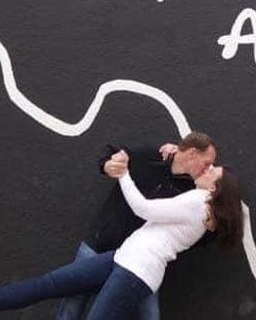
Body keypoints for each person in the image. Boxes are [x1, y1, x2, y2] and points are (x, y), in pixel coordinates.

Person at [0, 150, 244, 319]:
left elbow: (144, 209)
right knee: (49, 285)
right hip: (123, 259)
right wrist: (172, 157)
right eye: (209, 164)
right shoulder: (201, 207)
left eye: (212, 171)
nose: (208, 169)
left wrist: (124, 174)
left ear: (216, 189)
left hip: (136, 272)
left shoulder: (198, 202)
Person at [57, 133, 219, 320]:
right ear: (192, 154)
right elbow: (111, 151)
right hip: (101, 243)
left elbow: (203, 232)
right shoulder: (148, 155)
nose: (208, 170)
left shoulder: (193, 192)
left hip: (141, 262)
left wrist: (210, 227)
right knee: (72, 303)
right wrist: (107, 164)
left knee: (150, 315)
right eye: (207, 163)